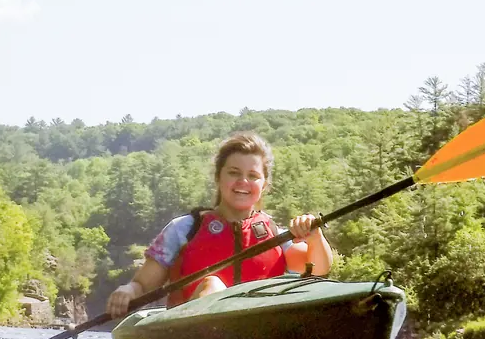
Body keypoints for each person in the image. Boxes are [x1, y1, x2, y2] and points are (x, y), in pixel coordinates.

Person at [106, 131, 334, 319]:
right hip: (190, 329)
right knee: (213, 284)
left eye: (253, 176)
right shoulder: (184, 229)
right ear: (218, 177)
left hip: (258, 325)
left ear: (264, 185)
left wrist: (315, 236)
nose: (243, 182)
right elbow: (142, 285)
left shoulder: (276, 234)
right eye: (234, 173)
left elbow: (319, 269)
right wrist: (128, 290)